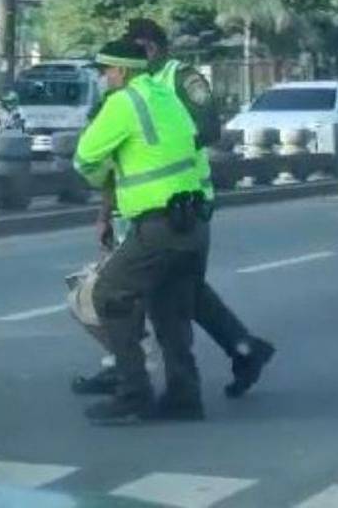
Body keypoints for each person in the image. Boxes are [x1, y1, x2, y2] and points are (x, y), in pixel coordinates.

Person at [73, 38, 210, 424]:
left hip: (158, 223)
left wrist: (106, 178)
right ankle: (185, 397)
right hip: (195, 221)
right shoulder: (168, 96)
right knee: (171, 309)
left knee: (110, 295)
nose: (103, 78)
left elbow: (84, 158)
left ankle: (133, 392)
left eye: (106, 71)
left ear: (122, 71)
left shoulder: (124, 103)